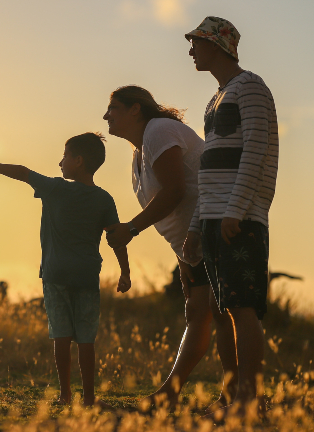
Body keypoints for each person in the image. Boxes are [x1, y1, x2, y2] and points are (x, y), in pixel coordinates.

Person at [0, 132, 131, 407]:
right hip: (87, 275)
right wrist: (125, 272)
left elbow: (22, 172)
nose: (60, 162)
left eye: (65, 156)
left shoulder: (55, 188)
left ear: (78, 161)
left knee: (61, 335)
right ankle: (89, 398)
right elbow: (116, 237)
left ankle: (65, 395)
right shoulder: (104, 199)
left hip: (55, 274)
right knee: (86, 339)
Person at [103, 86, 236, 409]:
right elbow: (177, 203)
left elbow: (176, 191)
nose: (107, 115)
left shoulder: (159, 131)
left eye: (114, 108)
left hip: (215, 228)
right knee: (199, 313)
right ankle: (185, 393)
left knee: (221, 313)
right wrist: (183, 258)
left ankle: (234, 394)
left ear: (136, 110)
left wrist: (132, 228)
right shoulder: (141, 152)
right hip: (193, 242)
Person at [183, 16, 279, 411]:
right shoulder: (215, 98)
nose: (191, 50)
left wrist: (236, 210)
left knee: (242, 307)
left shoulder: (251, 87)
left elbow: (257, 152)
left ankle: (249, 399)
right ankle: (232, 394)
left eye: (197, 43)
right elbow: (209, 168)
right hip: (212, 218)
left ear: (218, 47)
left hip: (238, 218)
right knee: (221, 310)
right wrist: (195, 225)